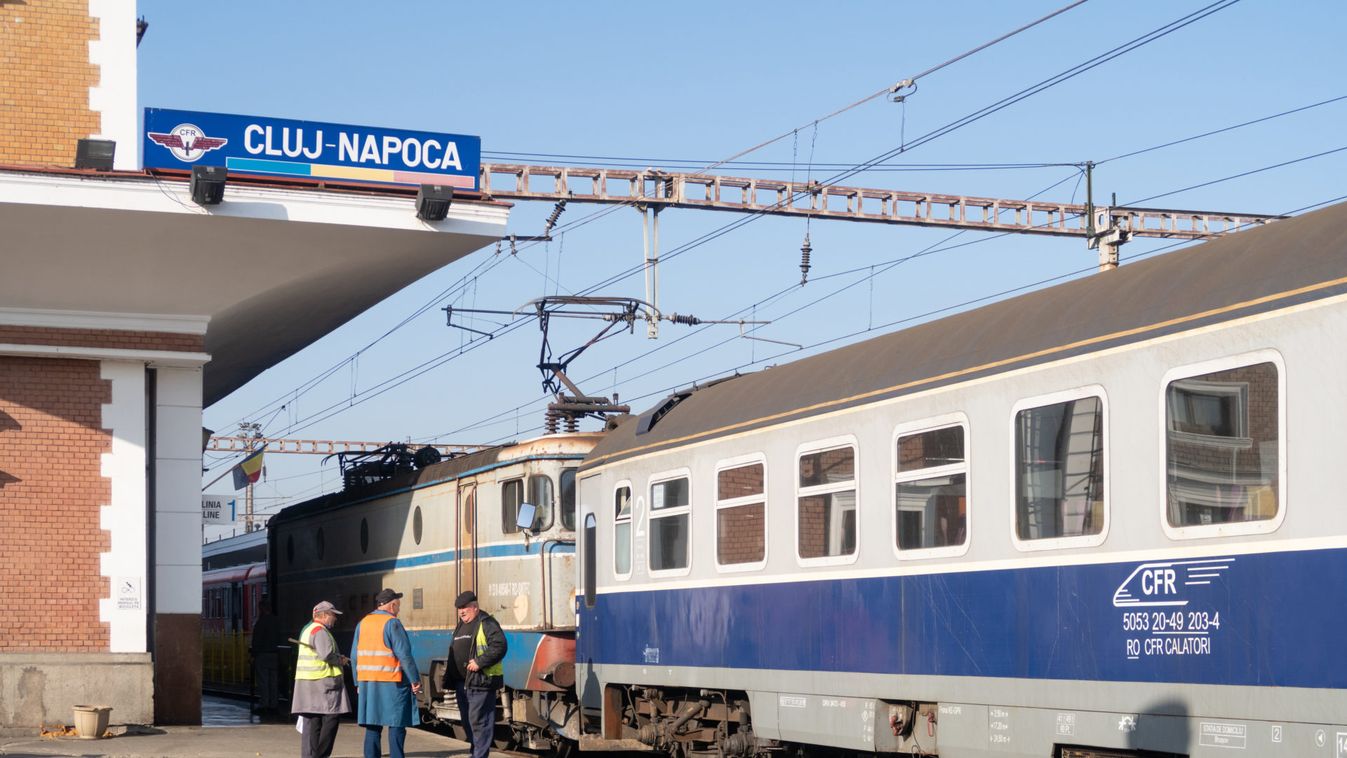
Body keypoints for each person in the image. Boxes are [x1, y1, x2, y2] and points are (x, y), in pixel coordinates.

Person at [353, 588, 422, 758]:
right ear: (392, 606)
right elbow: (404, 655)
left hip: (368, 683)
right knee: (397, 724)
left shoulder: (363, 623)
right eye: (398, 606)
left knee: (372, 725)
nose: (398, 609)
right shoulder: (392, 623)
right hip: (392, 682)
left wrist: (357, 682)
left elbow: (354, 656)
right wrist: (415, 679)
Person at [443, 591, 507, 758]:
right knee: (468, 722)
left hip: (480, 682)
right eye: (459, 609)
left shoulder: (486, 623)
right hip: (462, 684)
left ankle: (479, 755)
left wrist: (480, 662)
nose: (461, 611)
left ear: (475, 607)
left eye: (464, 608)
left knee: (480, 723)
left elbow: (500, 646)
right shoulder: (461, 625)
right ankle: (476, 753)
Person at [291, 600, 351, 758]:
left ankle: (311, 755)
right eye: (333, 615)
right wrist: (341, 660)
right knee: (332, 718)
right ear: (323, 615)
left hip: (307, 683)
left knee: (313, 721)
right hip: (323, 683)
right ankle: (321, 755)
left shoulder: (308, 629)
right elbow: (325, 655)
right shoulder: (320, 631)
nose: (335, 619)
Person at [249, 597, 283, 715]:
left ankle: (264, 704)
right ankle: (274, 705)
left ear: (262, 609)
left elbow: (256, 640)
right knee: (273, 681)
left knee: (263, 681)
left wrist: (253, 655)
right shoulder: (276, 621)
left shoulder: (261, 622)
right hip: (274, 655)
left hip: (262, 655)